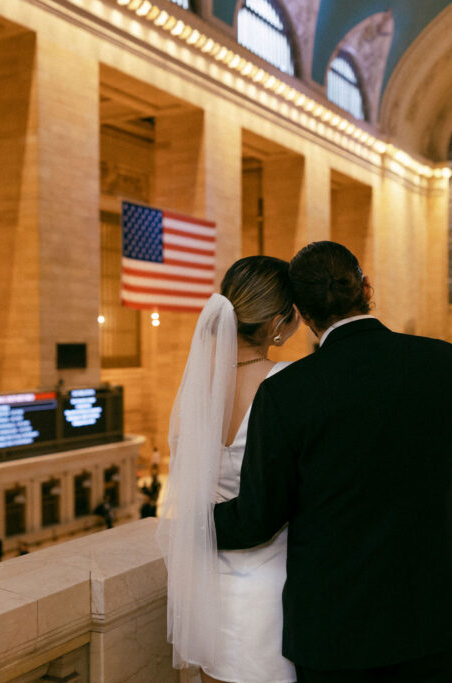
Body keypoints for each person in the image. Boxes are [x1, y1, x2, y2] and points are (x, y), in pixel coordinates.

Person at [213, 242, 452, 682]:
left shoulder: (288, 392)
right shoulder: (441, 360)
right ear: (366, 287)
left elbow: (258, 518)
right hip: (430, 611)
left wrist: (192, 524)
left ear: (300, 312)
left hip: (334, 629)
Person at [158, 255, 302, 683]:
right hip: (271, 583)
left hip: (208, 582)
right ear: (278, 321)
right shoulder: (289, 383)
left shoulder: (197, 387)